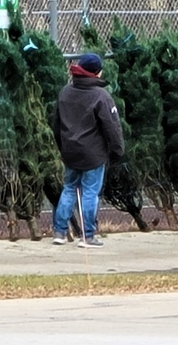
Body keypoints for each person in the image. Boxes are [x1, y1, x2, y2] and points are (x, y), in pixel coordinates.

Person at [51, 53, 125, 248]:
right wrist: (117, 151)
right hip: (93, 153)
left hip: (70, 151)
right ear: (97, 72)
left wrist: (63, 147)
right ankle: (88, 235)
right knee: (90, 192)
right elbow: (112, 127)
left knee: (69, 188)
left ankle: (59, 231)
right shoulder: (101, 96)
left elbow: (56, 124)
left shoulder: (65, 92)